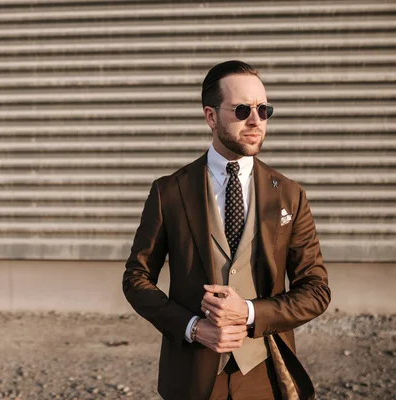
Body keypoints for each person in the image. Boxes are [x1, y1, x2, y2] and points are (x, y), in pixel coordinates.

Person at [122, 60, 331, 400]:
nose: (255, 120)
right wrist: (192, 328)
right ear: (210, 116)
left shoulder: (289, 194)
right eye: (241, 109)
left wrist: (250, 312)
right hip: (194, 373)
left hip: (263, 372)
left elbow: (316, 290)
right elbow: (136, 278)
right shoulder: (169, 191)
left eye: (263, 110)